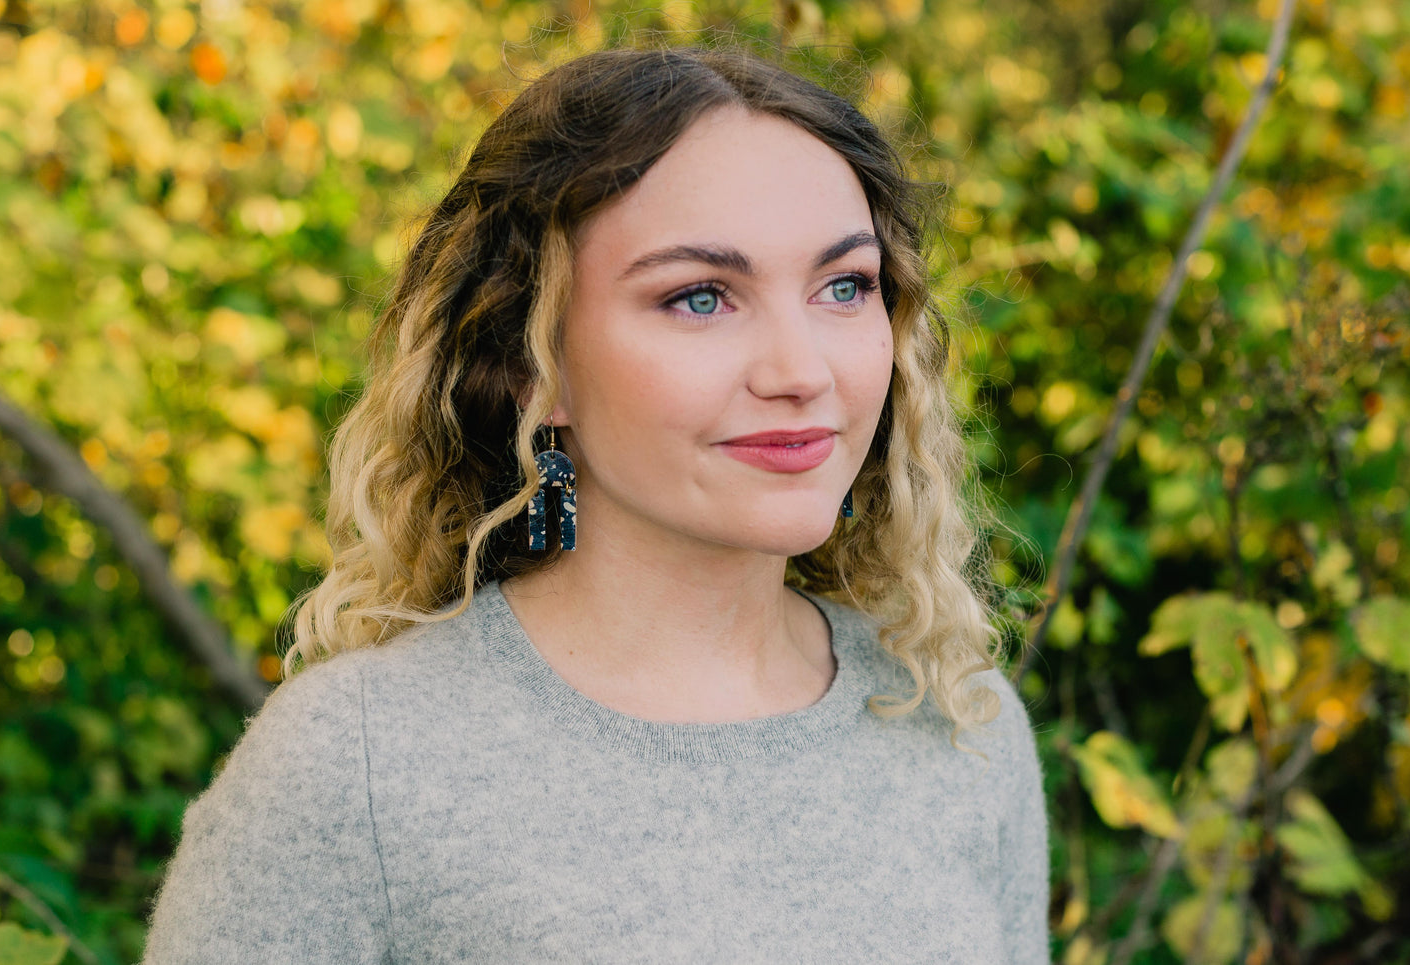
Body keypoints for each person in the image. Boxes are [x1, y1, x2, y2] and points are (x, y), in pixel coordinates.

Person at [141, 44, 1050, 963]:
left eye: (844, 287)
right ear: (535, 360)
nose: (802, 371)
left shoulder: (958, 723)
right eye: (700, 298)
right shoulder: (357, 767)